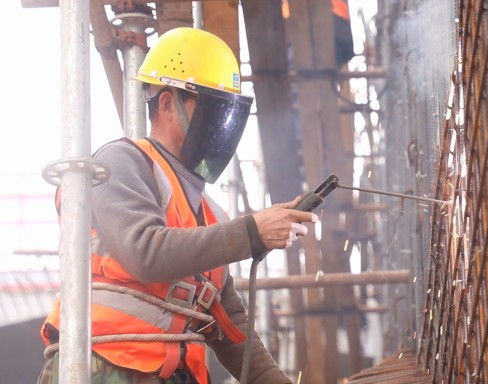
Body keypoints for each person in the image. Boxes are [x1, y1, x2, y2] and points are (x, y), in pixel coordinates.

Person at [37, 27, 316, 384]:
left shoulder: (211, 215)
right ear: (168, 104)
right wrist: (253, 231)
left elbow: (231, 326)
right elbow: (146, 252)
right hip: (106, 367)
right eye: (214, 111)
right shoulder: (124, 162)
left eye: (227, 115)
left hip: (170, 376)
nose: (221, 127)